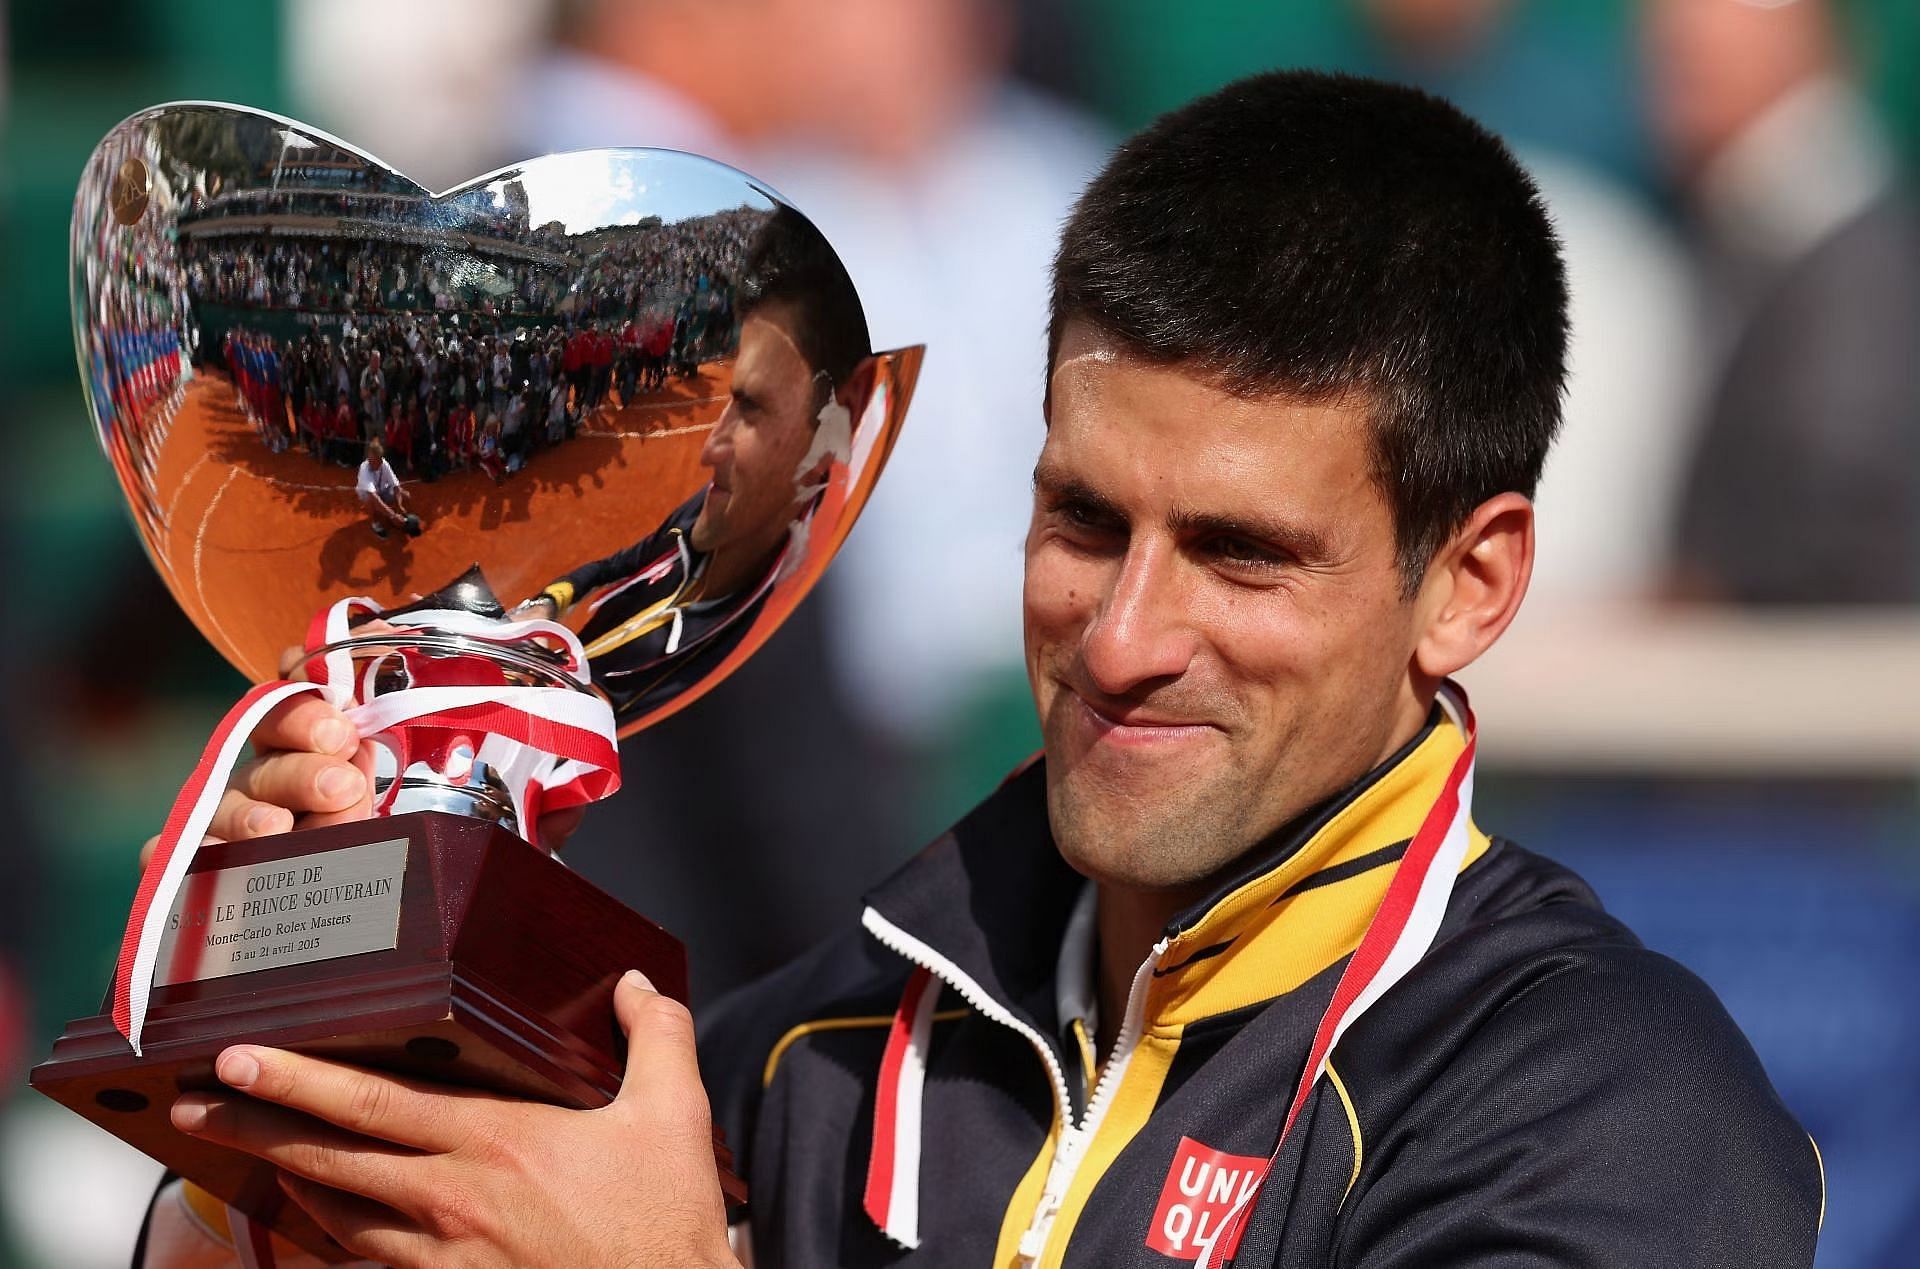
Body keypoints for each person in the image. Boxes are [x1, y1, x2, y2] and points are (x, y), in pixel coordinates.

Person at [136, 73, 1818, 1268]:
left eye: (1241, 552)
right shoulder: (821, 1041)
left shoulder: (1607, 1105)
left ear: (1469, 581)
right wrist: (289, 1095)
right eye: (1083, 517)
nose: (1125, 635)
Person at [513, 208, 871, 723]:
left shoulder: (759, 688)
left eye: (750, 406)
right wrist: (552, 598)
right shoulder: (700, 519)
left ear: (841, 415)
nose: (710, 450)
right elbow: (618, 562)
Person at [354, 439, 418, 540]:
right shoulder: (364, 469)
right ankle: (375, 524)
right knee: (370, 500)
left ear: (380, 459)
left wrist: (399, 505)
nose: (371, 463)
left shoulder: (385, 464)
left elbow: (396, 486)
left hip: (382, 491)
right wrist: (392, 515)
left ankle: (397, 517)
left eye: (374, 461)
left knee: (405, 495)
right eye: (369, 459)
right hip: (370, 496)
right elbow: (374, 496)